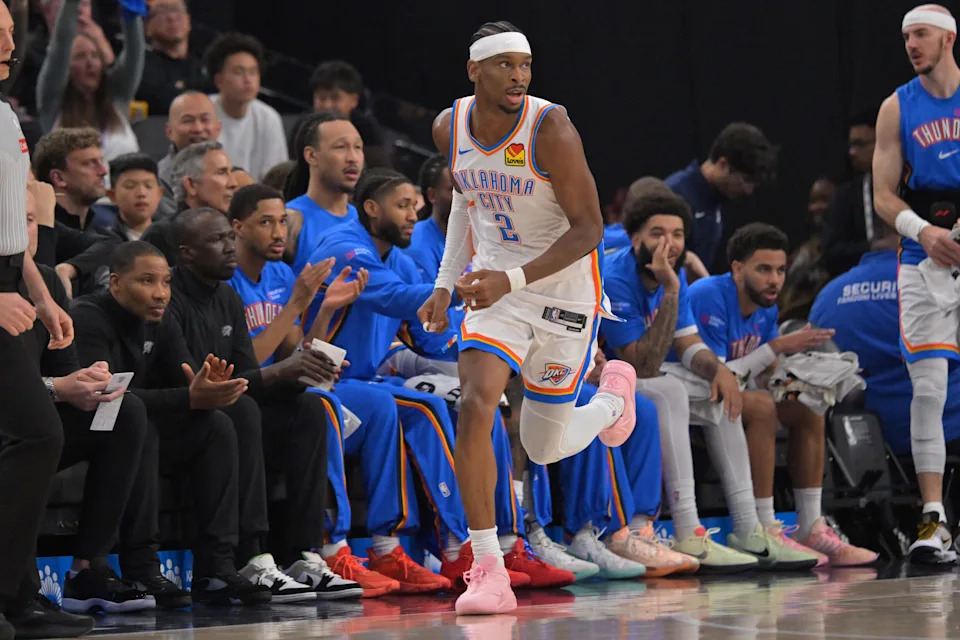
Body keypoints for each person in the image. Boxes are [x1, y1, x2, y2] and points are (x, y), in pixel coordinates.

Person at [416, 21, 636, 615]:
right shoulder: (449, 127)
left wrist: (509, 279)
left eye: (525, 66)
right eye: (505, 65)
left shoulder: (551, 127)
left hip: (563, 289)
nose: (518, 77)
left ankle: (612, 402)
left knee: (542, 447)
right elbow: (465, 201)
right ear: (474, 71)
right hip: (496, 287)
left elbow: (591, 229)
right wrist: (444, 285)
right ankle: (487, 568)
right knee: (475, 400)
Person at [601, 182, 807, 573]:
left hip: (640, 377)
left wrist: (719, 370)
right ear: (634, 238)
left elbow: (689, 345)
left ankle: (748, 526)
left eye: (677, 234)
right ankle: (687, 528)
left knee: (722, 389)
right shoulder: (618, 277)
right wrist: (673, 289)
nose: (670, 243)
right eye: (657, 233)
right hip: (606, 378)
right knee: (669, 389)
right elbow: (640, 364)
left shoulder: (669, 276)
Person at [68, 241, 277, 607]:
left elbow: (187, 385)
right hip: (92, 431)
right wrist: (189, 397)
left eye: (166, 282)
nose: (161, 293)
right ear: (115, 283)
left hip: (139, 428)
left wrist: (208, 388)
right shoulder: (88, 317)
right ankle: (141, 568)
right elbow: (104, 401)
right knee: (137, 420)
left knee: (222, 423)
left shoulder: (159, 321)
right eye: (147, 281)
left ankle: (217, 567)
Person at [160, 207, 349, 600]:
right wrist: (282, 370)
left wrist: (303, 373)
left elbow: (248, 372)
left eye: (229, 238)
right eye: (217, 240)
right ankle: (253, 556)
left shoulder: (227, 296)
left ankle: (301, 552)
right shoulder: (171, 301)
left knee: (309, 408)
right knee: (241, 408)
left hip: (229, 409)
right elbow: (199, 386)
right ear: (187, 253)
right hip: (181, 417)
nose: (230, 247)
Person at [304, 169, 475, 594]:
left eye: (414, 205)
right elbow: (398, 299)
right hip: (320, 379)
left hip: (367, 382)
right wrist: (471, 288)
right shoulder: (344, 247)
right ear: (371, 208)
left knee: (472, 399)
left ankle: (462, 544)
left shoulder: (397, 257)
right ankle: (449, 547)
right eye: (402, 206)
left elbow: (430, 328)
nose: (413, 215)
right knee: (420, 406)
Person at [688, 222, 879, 567]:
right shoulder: (708, 295)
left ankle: (811, 526)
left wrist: (797, 378)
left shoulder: (767, 307)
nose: (775, 280)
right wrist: (776, 347)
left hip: (736, 397)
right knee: (761, 407)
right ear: (736, 268)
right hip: (696, 397)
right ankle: (764, 526)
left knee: (809, 405)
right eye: (763, 269)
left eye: (780, 270)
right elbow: (718, 377)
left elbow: (762, 371)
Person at [0, 1, 94, 635]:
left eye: (10, 32)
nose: (10, 44)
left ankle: (18, 595)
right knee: (37, 434)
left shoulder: (6, 114)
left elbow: (14, 227)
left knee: (52, 432)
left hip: (13, 282)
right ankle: (13, 595)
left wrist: (38, 288)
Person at [872, 3, 960, 564]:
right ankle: (934, 520)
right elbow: (883, 194)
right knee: (927, 387)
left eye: (921, 34)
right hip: (921, 255)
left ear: (948, 38)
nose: (911, 44)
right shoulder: (895, 107)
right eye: (906, 36)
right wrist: (924, 231)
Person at [36, 0, 146, 162]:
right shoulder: (52, 101)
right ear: (66, 66)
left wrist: (132, 18)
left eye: (95, 56)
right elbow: (60, 46)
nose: (90, 63)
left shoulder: (117, 96)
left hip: (125, 185)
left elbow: (134, 53)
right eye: (80, 56)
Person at [665, 122, 778, 274]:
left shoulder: (715, 200)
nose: (748, 191)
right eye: (746, 180)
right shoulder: (673, 197)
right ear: (723, 164)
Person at [283, 110, 363, 273]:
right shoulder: (290, 220)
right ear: (311, 155)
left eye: (358, 147)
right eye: (341, 147)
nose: (353, 157)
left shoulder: (366, 220)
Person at [204, 32, 286, 180]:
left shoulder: (269, 118)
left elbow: (276, 177)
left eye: (253, 72)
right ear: (218, 80)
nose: (248, 80)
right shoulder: (203, 112)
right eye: (238, 72)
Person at [142, 140, 238, 264]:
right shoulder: (161, 236)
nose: (233, 183)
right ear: (191, 185)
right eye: (222, 172)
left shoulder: (238, 229)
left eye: (231, 172)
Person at [287, 60, 388, 169]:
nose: (327, 105)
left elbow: (380, 173)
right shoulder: (304, 125)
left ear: (354, 100)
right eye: (321, 98)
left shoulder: (367, 131)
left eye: (335, 98)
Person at [820, 108, 880, 278]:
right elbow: (830, 253)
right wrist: (874, 247)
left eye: (860, 144)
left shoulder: (917, 187)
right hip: (861, 282)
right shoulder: (844, 197)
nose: (852, 153)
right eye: (851, 145)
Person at [156, 91, 222, 219]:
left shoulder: (232, 172)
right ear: (169, 131)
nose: (198, 128)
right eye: (188, 121)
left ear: (218, 128)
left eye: (205, 120)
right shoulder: (159, 179)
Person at [136, 0, 208, 115]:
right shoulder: (139, 67)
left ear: (188, 20)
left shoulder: (205, 64)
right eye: (161, 12)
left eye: (176, 9)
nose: (171, 17)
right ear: (147, 27)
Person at [107, 152, 162, 240]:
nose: (141, 193)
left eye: (148, 185)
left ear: (160, 193)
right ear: (112, 196)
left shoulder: (173, 238)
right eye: (130, 186)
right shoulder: (105, 243)